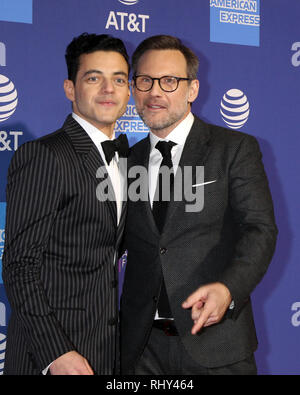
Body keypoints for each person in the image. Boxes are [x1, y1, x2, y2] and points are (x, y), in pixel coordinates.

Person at [120, 35, 277, 375]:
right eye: (145, 81)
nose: (155, 92)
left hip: (217, 347)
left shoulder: (233, 149)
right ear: (133, 89)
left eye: (170, 81)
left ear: (192, 90)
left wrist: (228, 288)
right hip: (141, 350)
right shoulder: (126, 161)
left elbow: (260, 231)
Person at [2, 33, 131, 375]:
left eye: (118, 79)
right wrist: (55, 353)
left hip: (107, 352)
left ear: (128, 90)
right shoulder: (45, 155)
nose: (108, 89)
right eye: (94, 78)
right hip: (51, 359)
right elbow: (19, 264)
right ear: (70, 89)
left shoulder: (129, 161)